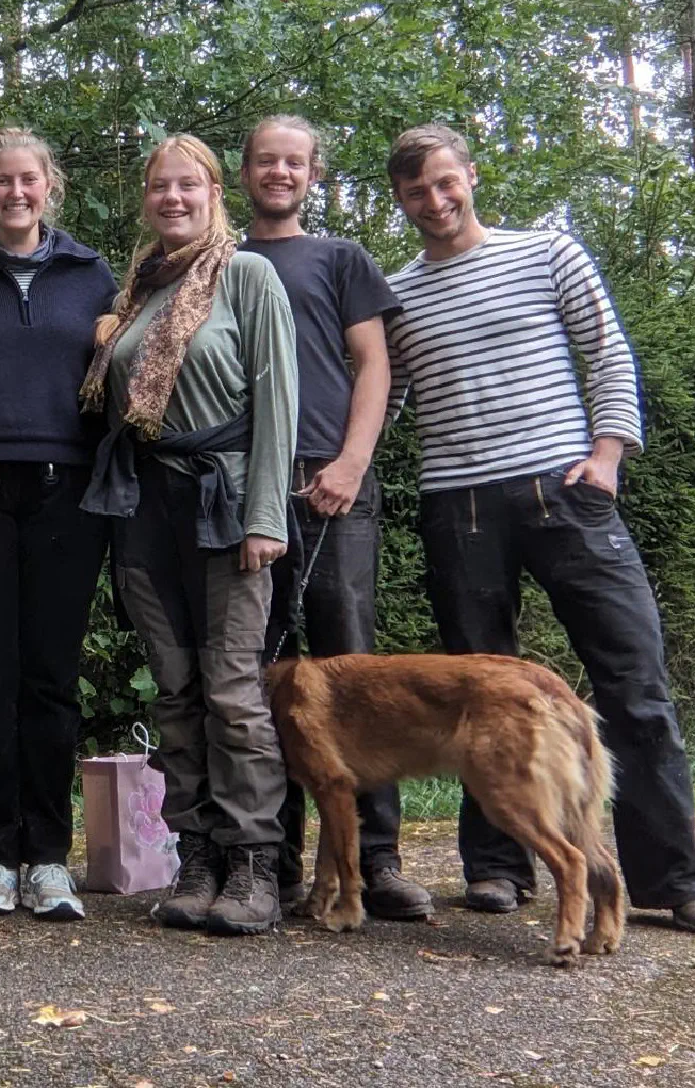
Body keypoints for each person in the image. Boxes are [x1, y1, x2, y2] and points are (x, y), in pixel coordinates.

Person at [383, 123, 695, 936]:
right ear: (400, 202)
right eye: (416, 192)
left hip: (566, 490)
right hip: (458, 504)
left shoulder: (547, 252)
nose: (435, 201)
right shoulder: (397, 293)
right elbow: (385, 397)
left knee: (634, 680)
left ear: (470, 175)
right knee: (479, 697)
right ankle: (498, 870)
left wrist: (608, 454)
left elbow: (609, 352)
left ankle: (675, 880)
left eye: (445, 182)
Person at [81, 133, 298, 936]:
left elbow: (279, 402)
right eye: (159, 187)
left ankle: (252, 864)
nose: (172, 198)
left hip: (226, 503)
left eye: (187, 185)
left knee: (234, 691)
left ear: (214, 193)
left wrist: (267, 516)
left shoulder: (247, 276)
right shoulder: (139, 290)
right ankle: (196, 854)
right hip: (143, 507)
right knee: (175, 688)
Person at [237, 115, 432, 922]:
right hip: (248, 499)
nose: (279, 173)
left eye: (294, 162)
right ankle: (272, 861)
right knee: (263, 682)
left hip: (333, 490)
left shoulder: (341, 259)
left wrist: (352, 464)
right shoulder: (223, 260)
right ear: (243, 172)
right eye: (265, 161)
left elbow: (374, 364)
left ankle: (375, 861)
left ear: (314, 174)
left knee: (356, 682)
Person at [0, 129, 116, 922]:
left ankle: (48, 857)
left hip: (66, 492)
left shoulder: (93, 274)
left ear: (51, 188)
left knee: (49, 675)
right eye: (2, 181)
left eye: (29, 181)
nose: (16, 193)